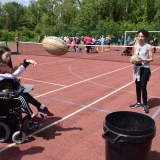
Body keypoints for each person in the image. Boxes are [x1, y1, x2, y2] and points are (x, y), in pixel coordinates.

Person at [0, 46, 53, 123]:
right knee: (21, 96)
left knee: (25, 93)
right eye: (6, 56)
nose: (8, 58)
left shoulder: (4, 66)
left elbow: (10, 76)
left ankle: (41, 107)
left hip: (7, 91)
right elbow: (13, 73)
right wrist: (26, 63)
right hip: (3, 95)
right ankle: (32, 116)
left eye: (10, 56)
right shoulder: (1, 66)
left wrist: (15, 80)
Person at [130, 29, 154, 113]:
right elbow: (134, 56)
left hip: (145, 69)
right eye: (139, 36)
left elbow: (151, 59)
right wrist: (133, 60)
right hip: (137, 68)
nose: (140, 38)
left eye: (142, 36)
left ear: (145, 37)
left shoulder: (148, 46)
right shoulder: (135, 46)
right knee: (137, 87)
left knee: (143, 87)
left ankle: (145, 105)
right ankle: (138, 102)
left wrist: (142, 60)